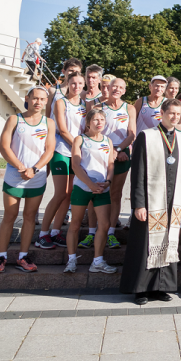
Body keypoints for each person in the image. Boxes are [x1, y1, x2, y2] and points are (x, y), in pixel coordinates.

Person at [120, 99, 181, 305]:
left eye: (178, 114)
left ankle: (161, 287)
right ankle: (141, 289)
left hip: (172, 200)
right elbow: (138, 172)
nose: (175, 117)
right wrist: (138, 204)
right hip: (150, 201)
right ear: (162, 112)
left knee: (168, 242)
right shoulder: (146, 136)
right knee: (145, 245)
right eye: (171, 113)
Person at [0, 87, 54, 274]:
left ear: (46, 101)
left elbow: (49, 150)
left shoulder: (48, 122)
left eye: (42, 99)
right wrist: (20, 167)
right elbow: (4, 147)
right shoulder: (14, 119)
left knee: (30, 217)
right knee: (9, 216)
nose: (38, 102)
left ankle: (22, 256)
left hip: (36, 177)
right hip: (14, 176)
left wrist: (34, 169)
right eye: (35, 98)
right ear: (28, 98)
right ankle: (1, 256)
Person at [64, 108, 117, 274]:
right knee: (75, 224)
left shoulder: (107, 141)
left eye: (102, 119)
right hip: (82, 186)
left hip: (101, 188)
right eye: (95, 120)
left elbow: (110, 165)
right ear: (88, 123)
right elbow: (75, 165)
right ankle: (71, 260)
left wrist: (108, 181)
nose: (99, 122)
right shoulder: (80, 139)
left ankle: (98, 261)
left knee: (105, 224)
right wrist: (90, 184)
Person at [36, 72, 85, 249]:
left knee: (69, 194)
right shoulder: (60, 102)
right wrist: (80, 146)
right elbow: (63, 131)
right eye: (73, 83)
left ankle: (56, 232)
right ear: (68, 84)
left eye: (80, 83)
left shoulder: (85, 105)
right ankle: (42, 234)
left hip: (76, 153)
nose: (76, 86)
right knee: (60, 193)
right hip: (61, 150)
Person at [103, 77, 136, 247]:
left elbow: (131, 134)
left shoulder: (129, 108)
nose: (116, 89)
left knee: (115, 194)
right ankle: (94, 232)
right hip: (101, 156)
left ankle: (110, 232)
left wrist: (119, 150)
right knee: (99, 194)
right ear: (108, 88)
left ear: (124, 90)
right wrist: (111, 151)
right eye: (114, 86)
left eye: (120, 87)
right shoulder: (98, 107)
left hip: (122, 154)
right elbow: (94, 132)